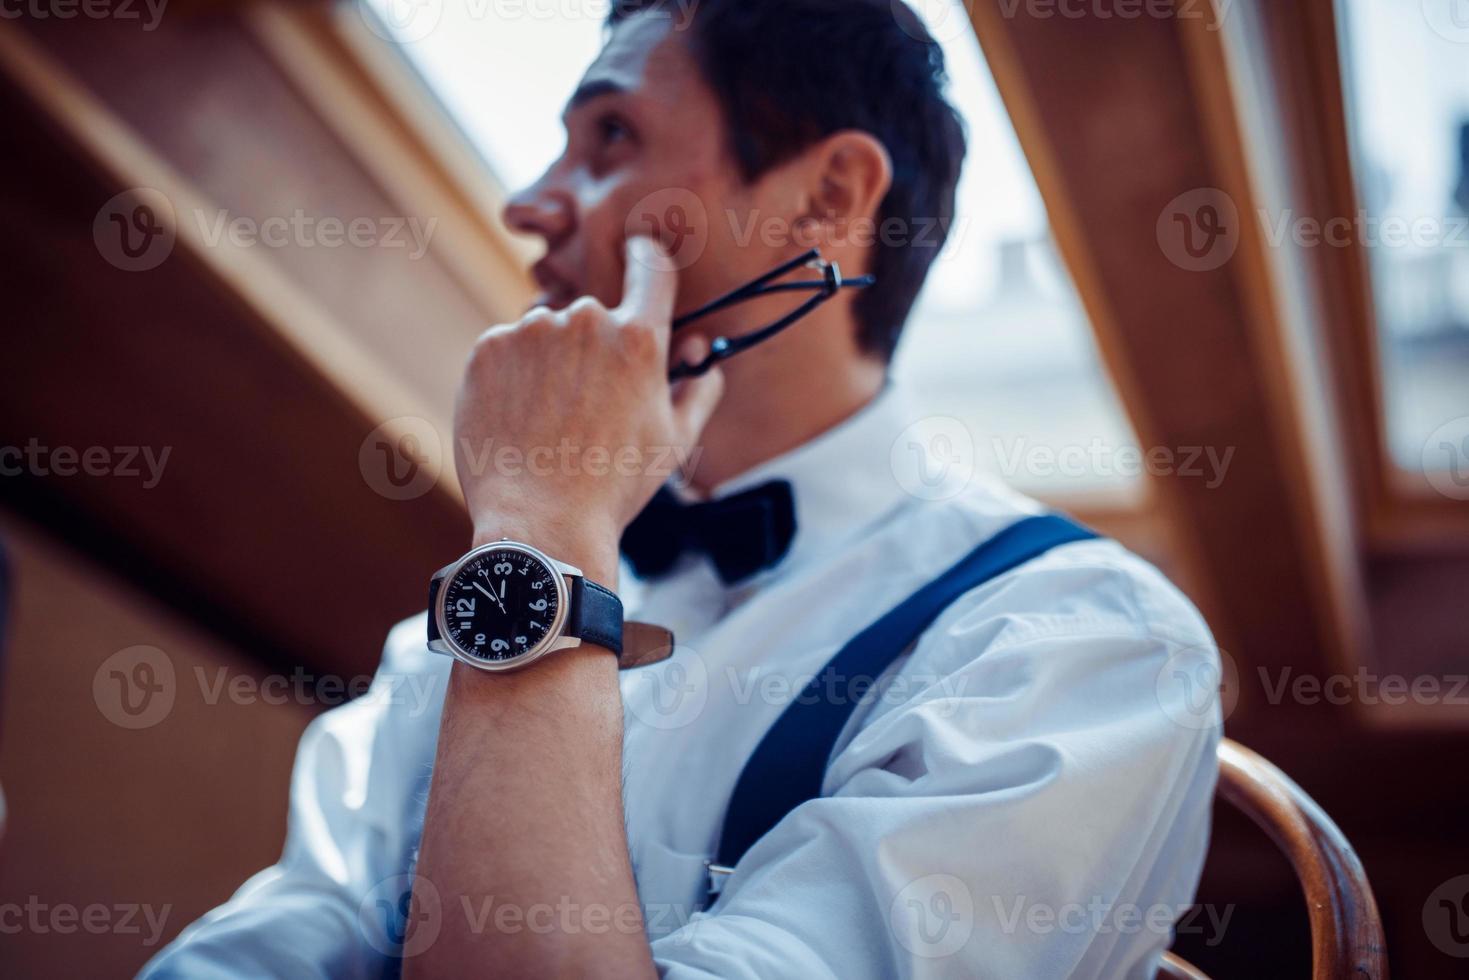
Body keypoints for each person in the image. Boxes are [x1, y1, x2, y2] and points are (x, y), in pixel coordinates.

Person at [143, 1, 1221, 976]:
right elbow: (296, 924)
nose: (525, 205)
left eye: (612, 137)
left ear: (829, 195)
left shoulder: (1069, 642)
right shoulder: (488, 590)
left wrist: (548, 529)